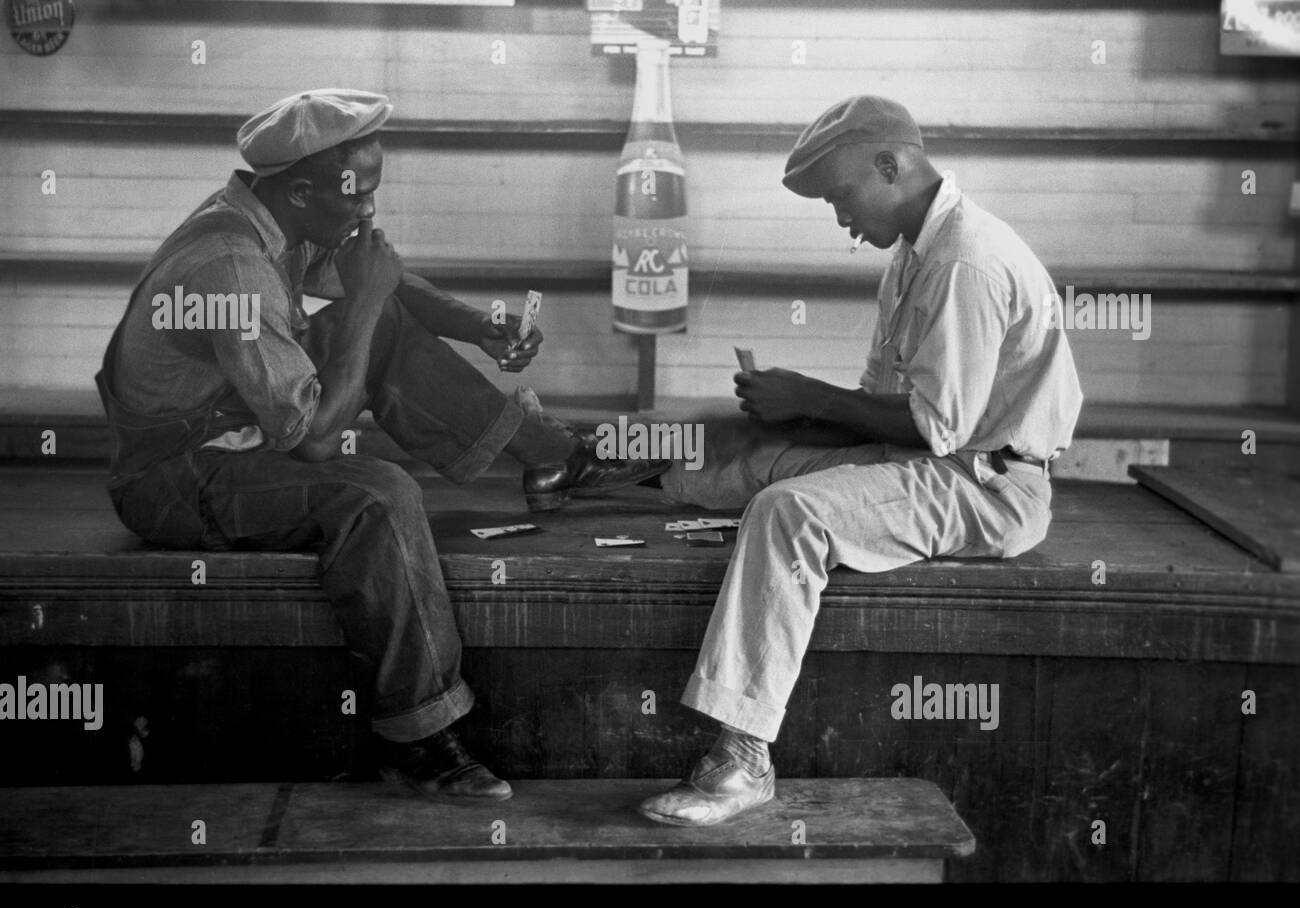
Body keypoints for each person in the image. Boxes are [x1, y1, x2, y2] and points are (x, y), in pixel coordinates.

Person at [96, 88, 666, 803]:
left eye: (374, 189)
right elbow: (316, 438)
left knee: (382, 324)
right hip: (178, 474)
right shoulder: (230, 267)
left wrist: (477, 326)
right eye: (356, 194)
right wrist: (366, 303)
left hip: (236, 431)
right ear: (301, 189)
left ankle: (554, 455)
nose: (368, 208)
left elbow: (382, 276)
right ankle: (417, 737)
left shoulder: (282, 217)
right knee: (380, 494)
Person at [639, 95, 1083, 826]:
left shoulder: (965, 261)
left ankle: (743, 758)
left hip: (987, 486)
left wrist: (807, 395)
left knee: (786, 513)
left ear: (892, 166)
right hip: (942, 457)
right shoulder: (914, 255)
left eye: (842, 197)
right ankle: (583, 459)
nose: (842, 219)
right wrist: (786, 417)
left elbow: (935, 428)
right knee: (745, 445)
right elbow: (879, 411)